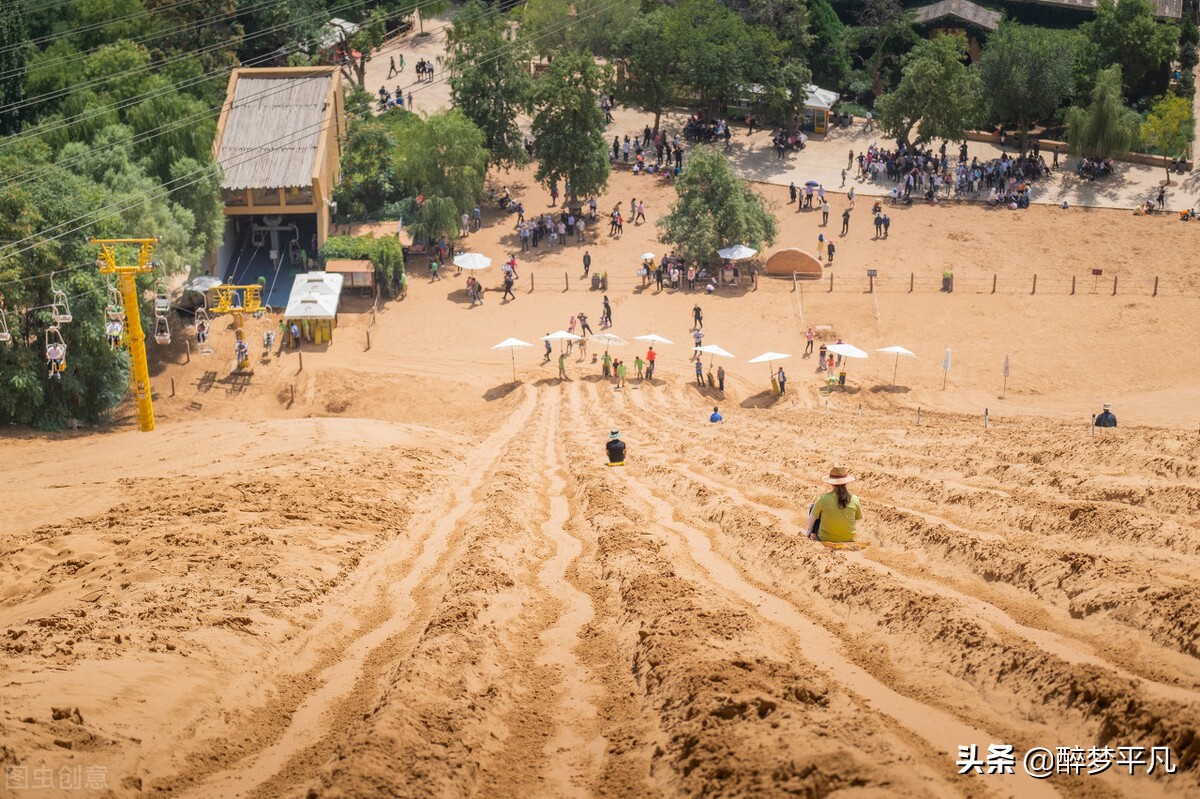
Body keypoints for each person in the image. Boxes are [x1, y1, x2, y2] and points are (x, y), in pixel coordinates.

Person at [806, 466, 863, 543]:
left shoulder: (823, 499)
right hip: (848, 538)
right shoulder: (855, 498)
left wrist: (808, 531)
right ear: (846, 482)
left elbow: (812, 518)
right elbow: (856, 519)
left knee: (814, 507)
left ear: (831, 483)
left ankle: (812, 534)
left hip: (826, 538)